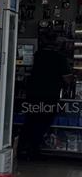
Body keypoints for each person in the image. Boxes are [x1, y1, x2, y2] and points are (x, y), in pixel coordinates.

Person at [19, 31, 72, 161]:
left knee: (30, 121)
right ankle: (34, 150)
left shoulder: (37, 55)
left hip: (32, 95)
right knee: (43, 123)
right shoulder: (60, 58)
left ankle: (21, 148)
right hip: (49, 97)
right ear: (57, 44)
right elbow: (67, 79)